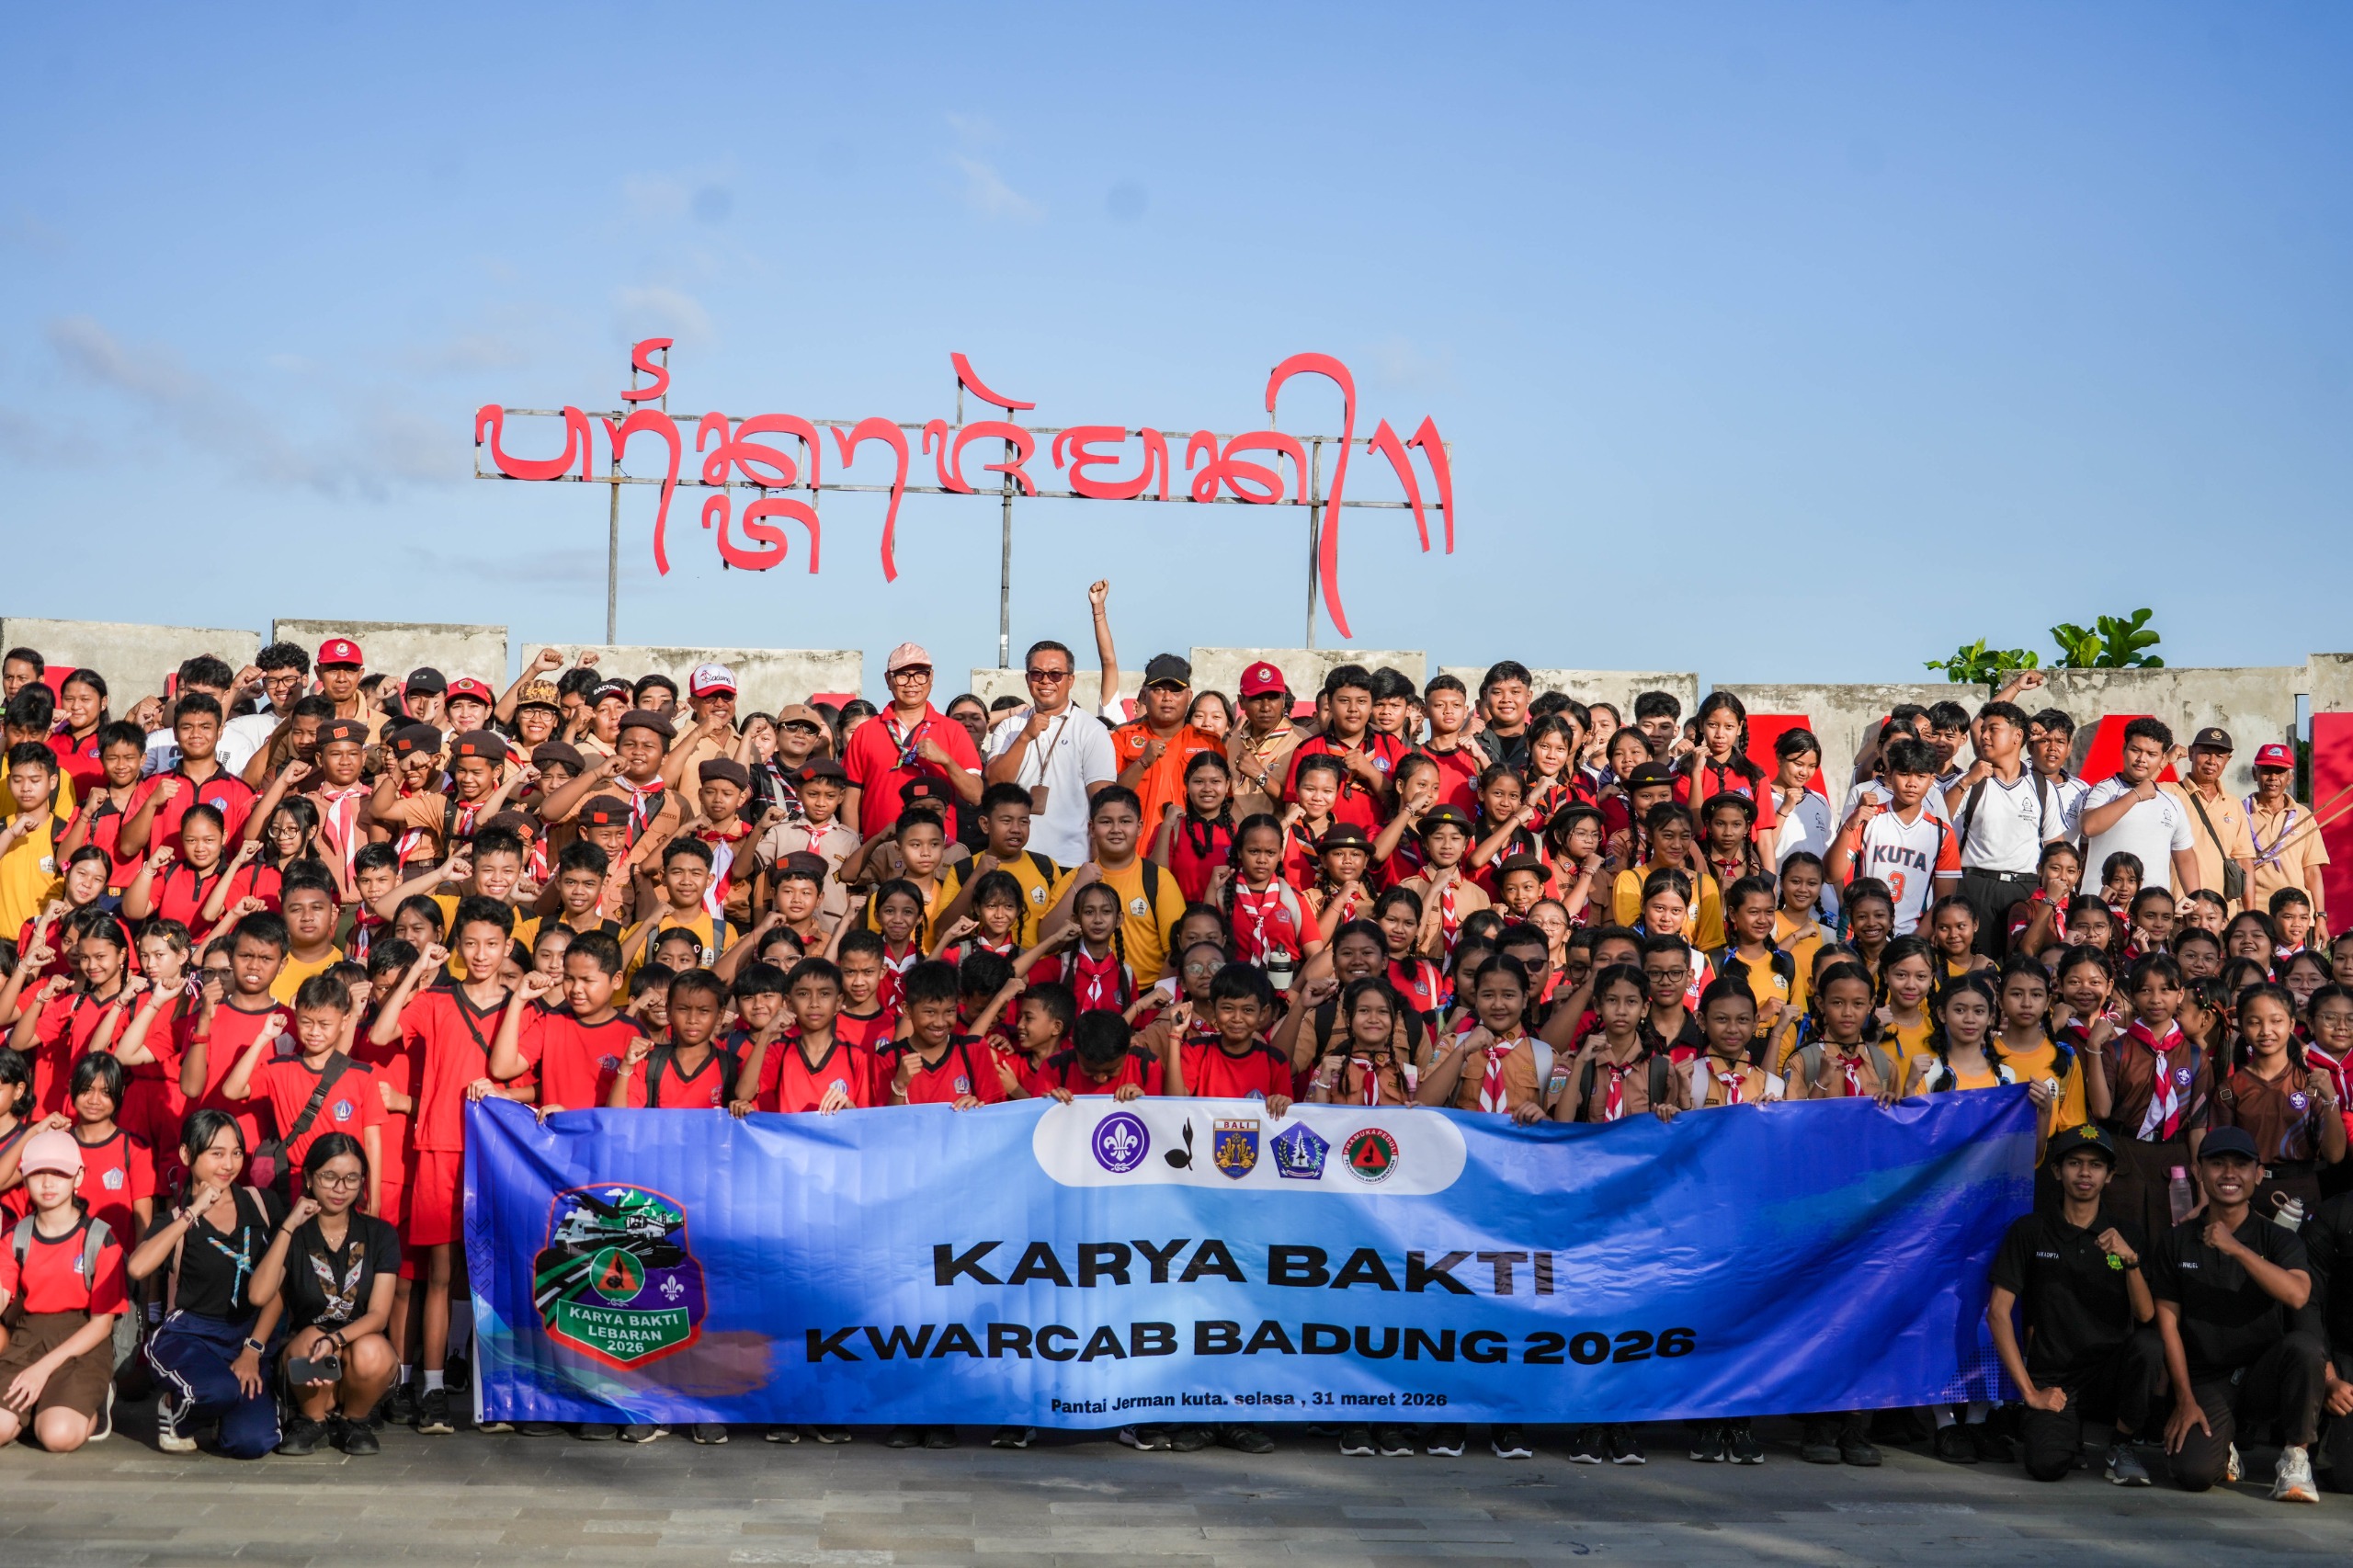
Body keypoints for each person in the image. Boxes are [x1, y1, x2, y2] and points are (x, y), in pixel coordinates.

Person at [2150, 1124, 2324, 1501]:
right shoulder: (2176, 1241)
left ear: (2258, 1174)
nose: (2229, 1173)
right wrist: (2184, 1399)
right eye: (2218, 1163)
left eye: (2241, 1165)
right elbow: (2168, 1325)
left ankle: (2295, 1459)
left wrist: (2237, 1249)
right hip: (2208, 1378)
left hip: (2264, 1376)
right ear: (2197, 1171)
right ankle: (2224, 1446)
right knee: (2194, 1474)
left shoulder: (2278, 1238)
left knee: (2305, 1348)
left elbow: (2297, 1295)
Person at [1988, 1125, 2160, 1484]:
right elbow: (1998, 1312)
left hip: (2109, 1376)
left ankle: (2121, 1444)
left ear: (2109, 1175)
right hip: (2055, 1378)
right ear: (2056, 1171)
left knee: (2148, 1346)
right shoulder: (2031, 1230)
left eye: (2096, 1165)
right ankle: (2058, 1435)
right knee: (2046, 1466)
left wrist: (2130, 1260)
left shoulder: (2128, 1234)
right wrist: (2030, 1393)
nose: (2085, 1173)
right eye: (2074, 1163)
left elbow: (2145, 1314)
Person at [132, 1109, 289, 1459]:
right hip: (190, 1336)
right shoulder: (176, 1218)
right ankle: (177, 1411)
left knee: (252, 1443)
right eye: (216, 1153)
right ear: (187, 1154)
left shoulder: (262, 1204)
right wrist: (193, 1212)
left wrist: (252, 1350)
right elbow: (138, 1267)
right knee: (218, 1390)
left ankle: (221, 1410)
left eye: (236, 1153)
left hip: (247, 1336)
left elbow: (281, 1285)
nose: (228, 1164)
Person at [246, 1132, 399, 1456]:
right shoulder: (294, 1232)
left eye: (351, 1178)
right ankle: (312, 1419)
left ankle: (354, 1420)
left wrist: (336, 1340)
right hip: (307, 1363)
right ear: (309, 1177)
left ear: (363, 1181)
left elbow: (379, 1316)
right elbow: (261, 1295)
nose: (340, 1188)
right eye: (329, 1177)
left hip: (358, 1360)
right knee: (311, 1341)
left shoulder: (380, 1234)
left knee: (371, 1349)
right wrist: (288, 1225)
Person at [0, 1127, 128, 1453]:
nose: (47, 1183)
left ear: (78, 1176)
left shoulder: (100, 1239)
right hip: (27, 1338)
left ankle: (92, 1402)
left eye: (59, 1173)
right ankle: (36, 1408)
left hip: (81, 1342)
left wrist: (42, 1370)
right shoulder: (15, 1237)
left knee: (58, 1436)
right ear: (24, 1177)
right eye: (37, 1173)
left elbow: (101, 1325)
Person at [983, 638, 1117, 866]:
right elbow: (996, 783)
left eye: (1055, 674)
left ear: (1070, 680)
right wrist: (1025, 736)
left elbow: (1103, 803)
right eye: (1037, 674)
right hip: (1014, 859)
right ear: (1027, 679)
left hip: (1070, 860)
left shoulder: (1092, 729)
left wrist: (1098, 862)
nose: (1046, 680)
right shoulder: (1010, 726)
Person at [1946, 700, 2065, 955]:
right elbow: (1938, 821)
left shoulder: (2042, 788)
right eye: (1983, 730)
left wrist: (2058, 890)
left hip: (2025, 889)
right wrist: (1967, 781)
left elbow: (2055, 846)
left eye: (1993, 729)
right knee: (1977, 965)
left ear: (2017, 736)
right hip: (1976, 885)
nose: (1984, 736)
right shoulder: (1970, 782)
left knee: (2023, 966)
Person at [844, 643, 983, 843]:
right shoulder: (865, 732)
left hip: (937, 851)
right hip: (880, 850)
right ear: (888, 679)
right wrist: (853, 848)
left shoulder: (954, 731)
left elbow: (976, 795)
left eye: (920, 674)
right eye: (902, 675)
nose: (912, 683)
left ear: (931, 677)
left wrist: (946, 761)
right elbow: (851, 801)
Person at [2078, 719, 2200, 897]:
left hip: (2153, 908)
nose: (2141, 759)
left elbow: (2185, 858)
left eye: (2151, 754)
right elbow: (2088, 827)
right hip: (2100, 906)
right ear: (2124, 749)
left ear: (2162, 758)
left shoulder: (2172, 803)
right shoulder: (2104, 790)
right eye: (2135, 750)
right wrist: (2135, 795)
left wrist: (2197, 900)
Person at [2161, 727, 2256, 915]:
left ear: (2227, 760)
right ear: (2191, 753)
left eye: (2219, 756)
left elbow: (2244, 861)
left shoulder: (2234, 804)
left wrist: (2251, 913)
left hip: (2219, 915)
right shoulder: (2167, 793)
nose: (2212, 761)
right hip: (2176, 911)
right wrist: (2166, 760)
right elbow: (2134, 789)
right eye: (2205, 753)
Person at [2245, 742, 2331, 936]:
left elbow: (2312, 872)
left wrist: (2320, 916)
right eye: (2266, 771)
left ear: (2290, 778)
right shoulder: (2239, 812)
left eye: (2280, 772)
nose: (2273, 778)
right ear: (2254, 773)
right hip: (2254, 915)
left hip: (2296, 917)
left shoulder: (2303, 816)